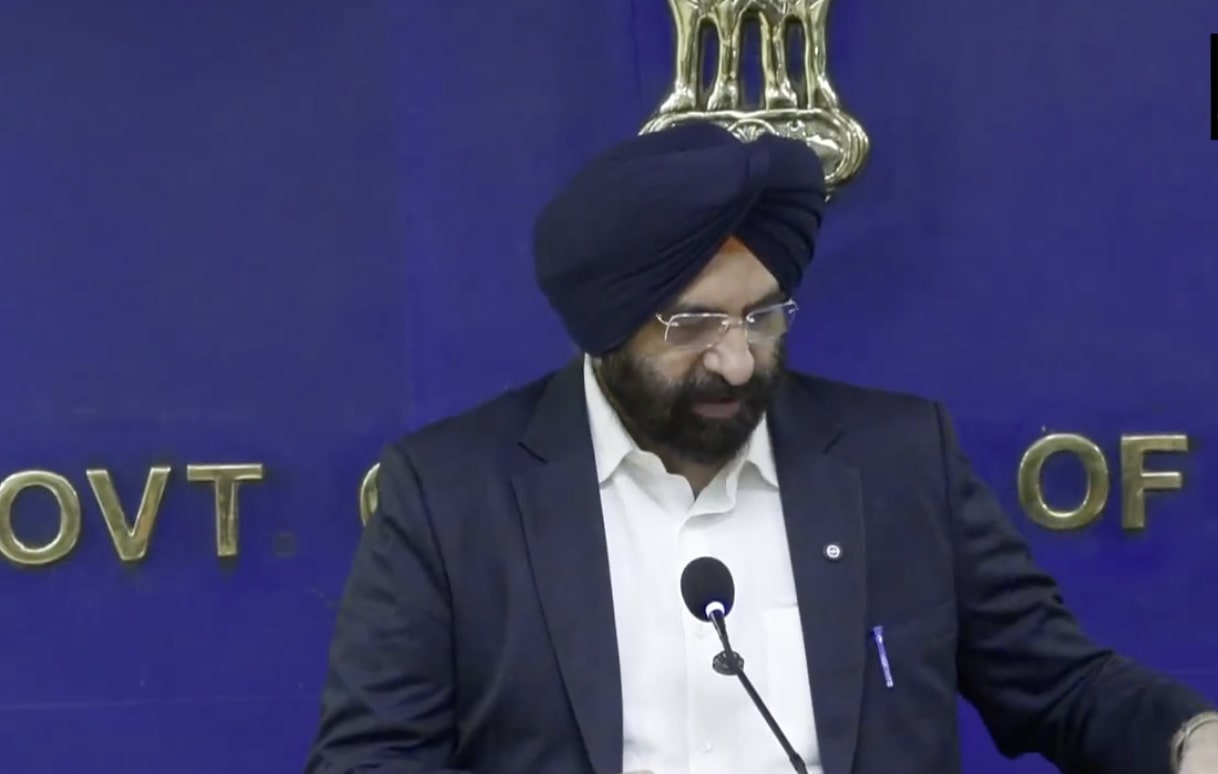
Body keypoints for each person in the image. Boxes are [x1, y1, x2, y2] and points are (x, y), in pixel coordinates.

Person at [304, 122, 1218, 774]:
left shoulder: (900, 462)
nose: (737, 359)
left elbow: (1064, 688)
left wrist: (1191, 742)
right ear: (607, 326)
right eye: (694, 324)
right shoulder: (453, 497)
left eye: (763, 316)